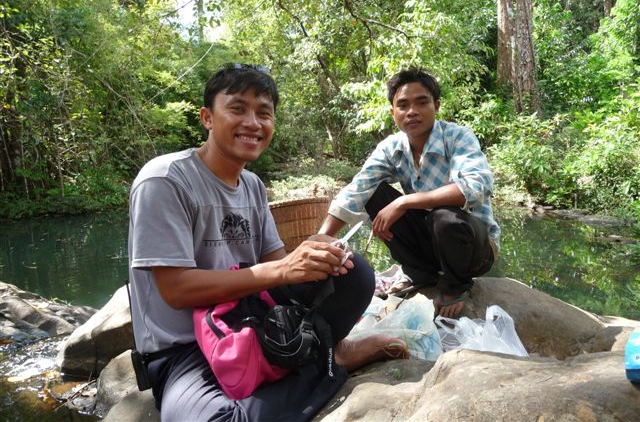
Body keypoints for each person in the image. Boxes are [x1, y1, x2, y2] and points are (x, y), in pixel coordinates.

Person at [127, 63, 407, 422]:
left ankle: (322, 353)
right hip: (185, 350)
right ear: (207, 118)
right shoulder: (164, 180)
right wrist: (283, 268)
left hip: (252, 326)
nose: (253, 123)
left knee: (352, 270)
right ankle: (330, 362)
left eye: (264, 113)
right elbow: (176, 290)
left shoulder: (253, 185)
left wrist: (313, 253)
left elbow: (278, 268)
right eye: (238, 109)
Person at [318, 67, 500, 319]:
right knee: (374, 193)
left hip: (473, 248)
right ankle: (420, 272)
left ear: (436, 105)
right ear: (393, 112)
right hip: (431, 242)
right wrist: (321, 238)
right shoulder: (392, 147)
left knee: (444, 216)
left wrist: (405, 201)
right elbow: (358, 187)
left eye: (422, 102)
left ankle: (456, 284)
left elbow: (475, 186)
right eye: (402, 105)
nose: (412, 111)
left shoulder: (457, 137)